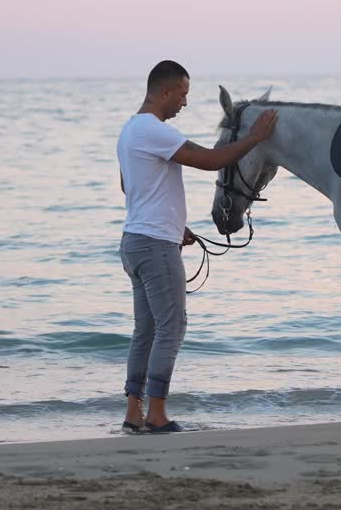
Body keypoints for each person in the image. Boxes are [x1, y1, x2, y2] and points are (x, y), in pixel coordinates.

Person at [115, 60, 277, 433]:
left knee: (147, 330)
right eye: (183, 94)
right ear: (165, 91)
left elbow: (130, 187)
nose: (185, 103)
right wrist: (254, 138)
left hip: (136, 240)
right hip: (154, 246)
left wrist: (176, 223)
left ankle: (133, 413)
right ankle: (156, 415)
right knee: (172, 327)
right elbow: (208, 160)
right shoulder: (151, 129)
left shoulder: (129, 130)